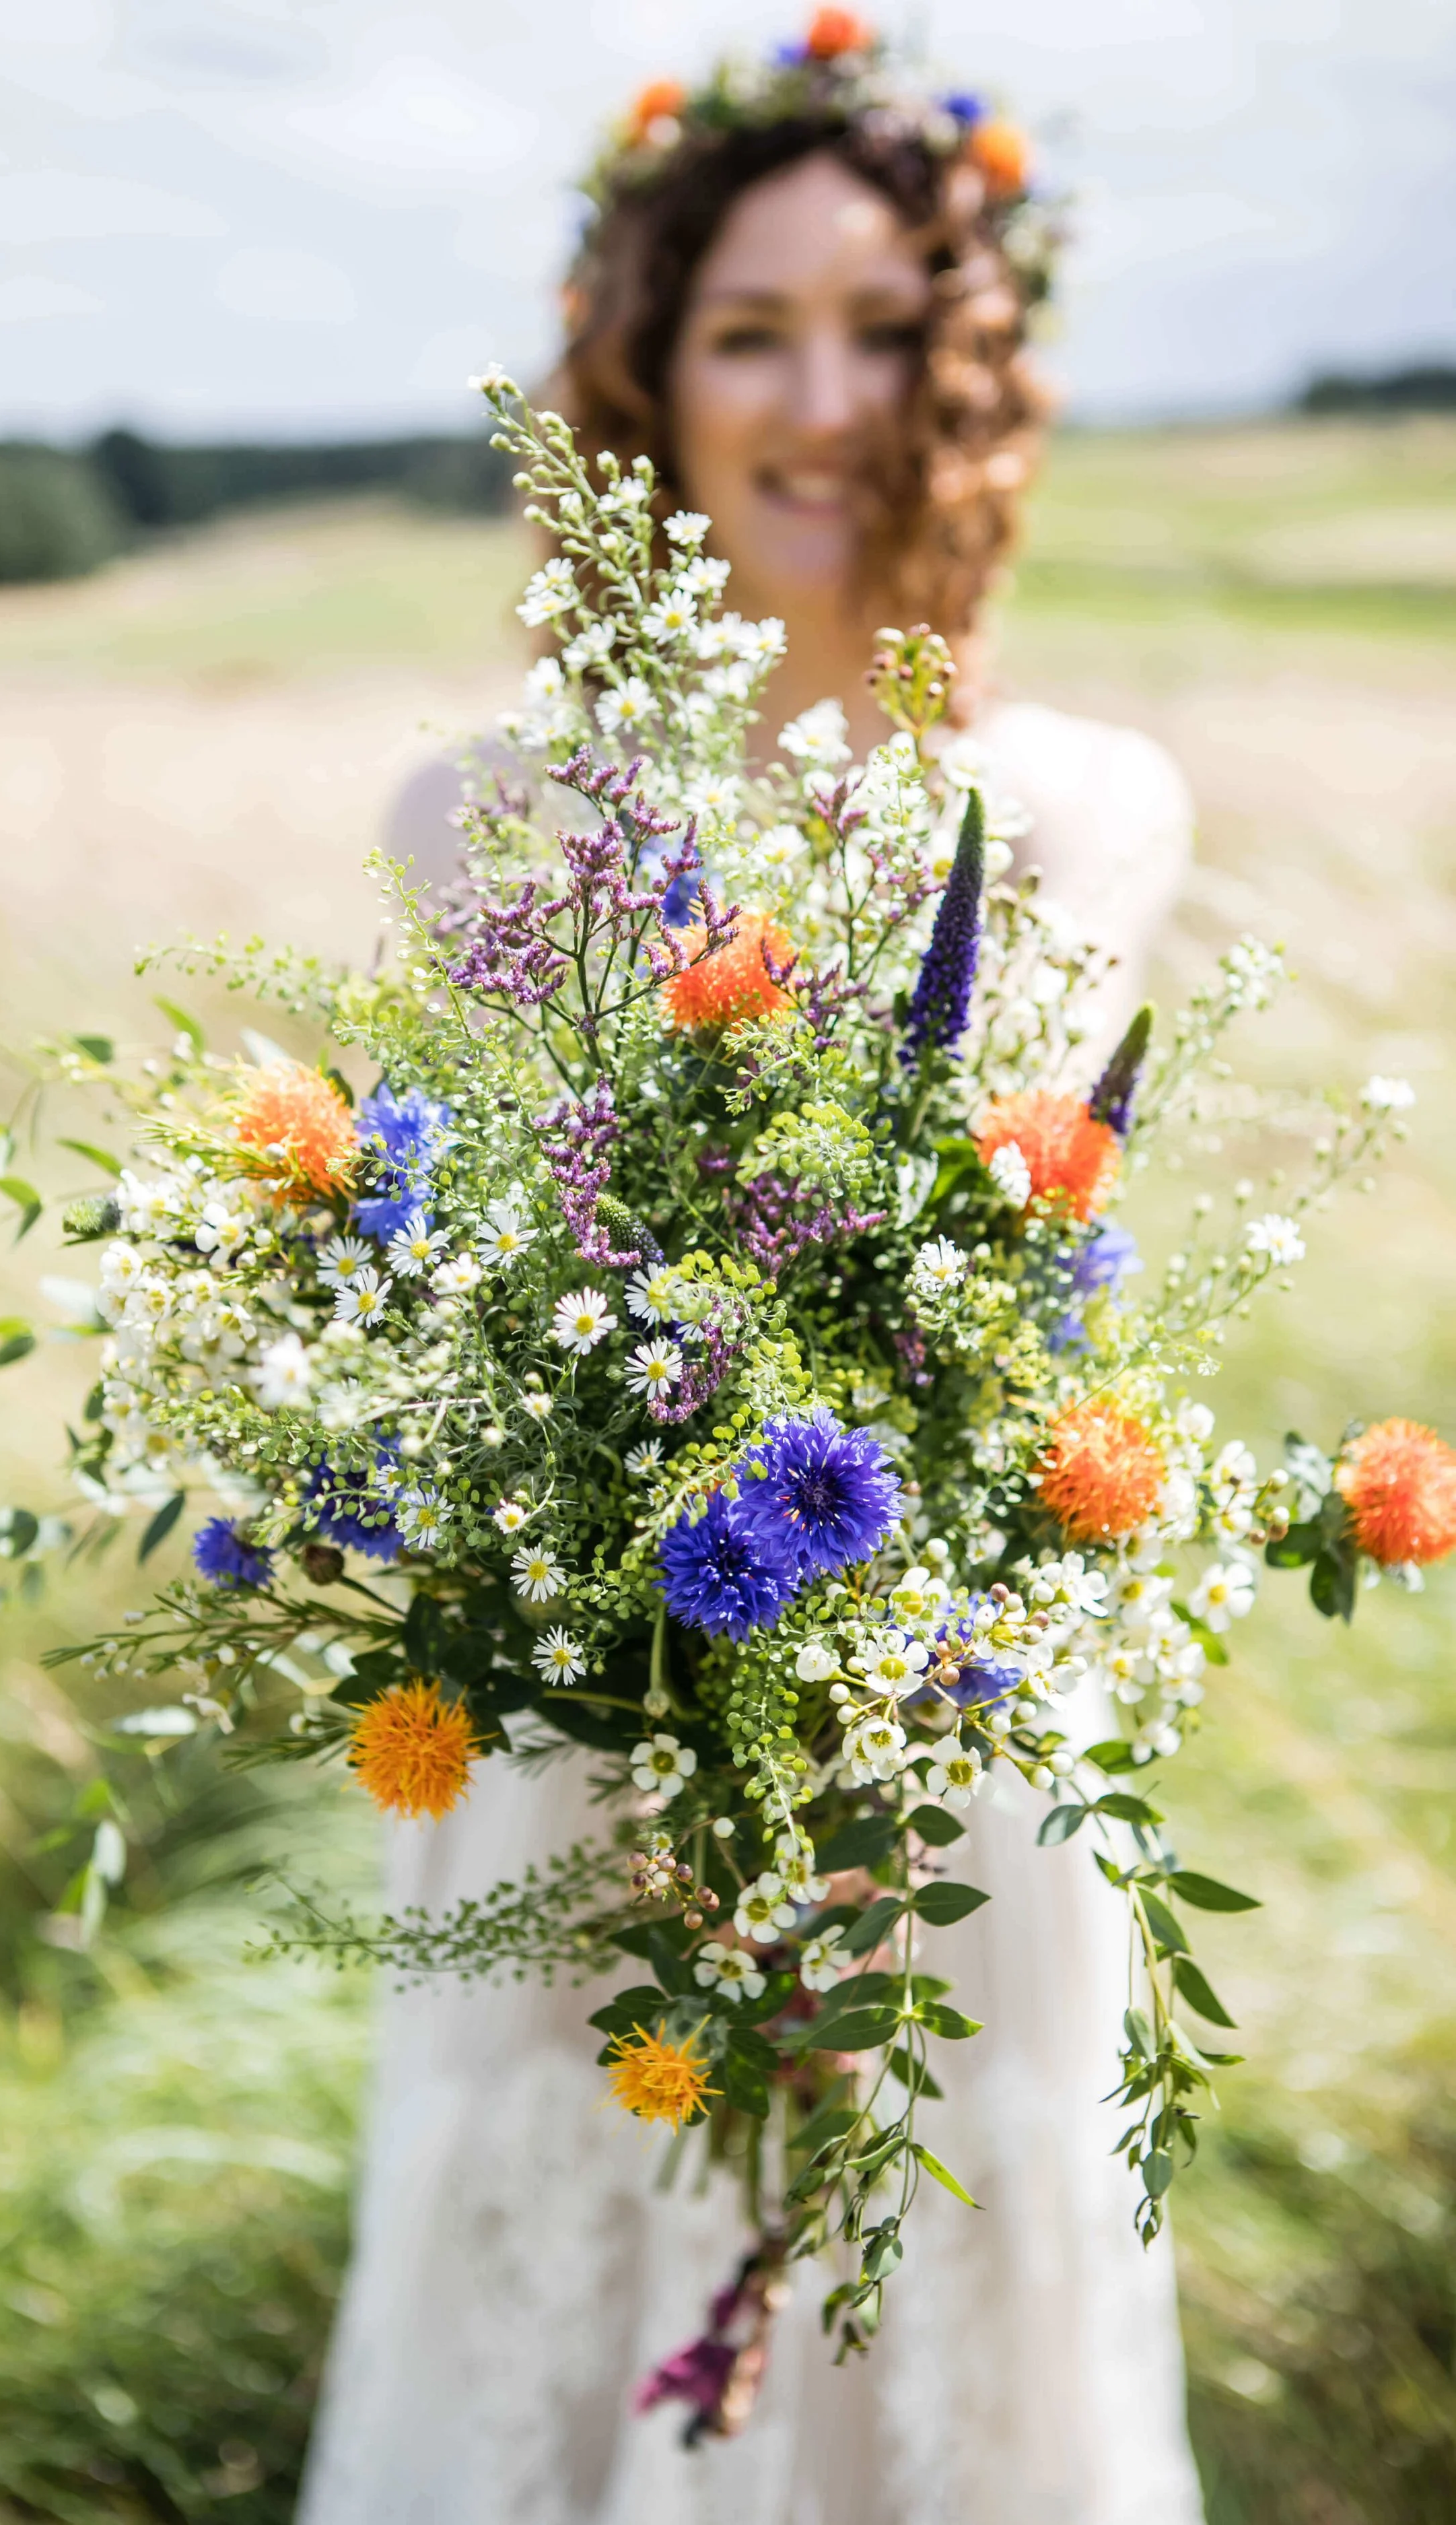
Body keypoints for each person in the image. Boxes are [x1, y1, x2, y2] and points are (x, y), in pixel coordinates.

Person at [298, 23, 1200, 2524]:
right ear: (644, 370)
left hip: (949, 1744)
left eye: (891, 327)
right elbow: (468, 1302)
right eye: (748, 330)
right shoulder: (476, 821)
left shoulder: (1074, 805)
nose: (823, 400)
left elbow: (1007, 1292)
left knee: (941, 2287)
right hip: (583, 1757)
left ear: (972, 368)